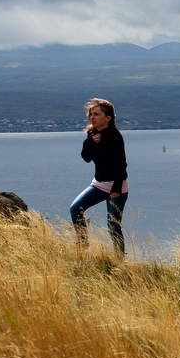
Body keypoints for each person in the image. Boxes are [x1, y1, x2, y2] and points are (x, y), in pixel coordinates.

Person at [70, 98, 129, 256]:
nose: (92, 117)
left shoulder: (114, 136)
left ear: (108, 118)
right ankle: (83, 246)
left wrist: (116, 189)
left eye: (96, 114)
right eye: (90, 114)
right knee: (75, 208)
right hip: (98, 184)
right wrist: (90, 142)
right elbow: (86, 157)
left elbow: (121, 165)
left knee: (113, 226)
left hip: (116, 186)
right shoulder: (92, 133)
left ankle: (119, 260)